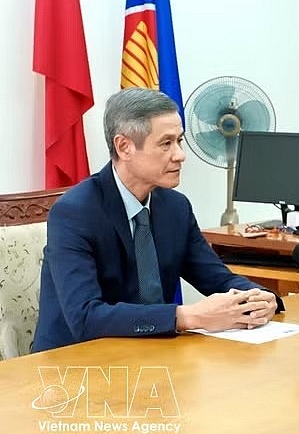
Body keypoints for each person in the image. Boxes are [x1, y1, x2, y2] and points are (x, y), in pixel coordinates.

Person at [33, 88, 284, 352]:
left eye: (180, 141)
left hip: (152, 355)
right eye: (166, 143)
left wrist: (259, 298)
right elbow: (85, 317)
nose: (180, 155)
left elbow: (217, 278)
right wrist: (190, 317)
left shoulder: (175, 207)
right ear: (124, 146)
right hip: (74, 365)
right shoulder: (74, 212)